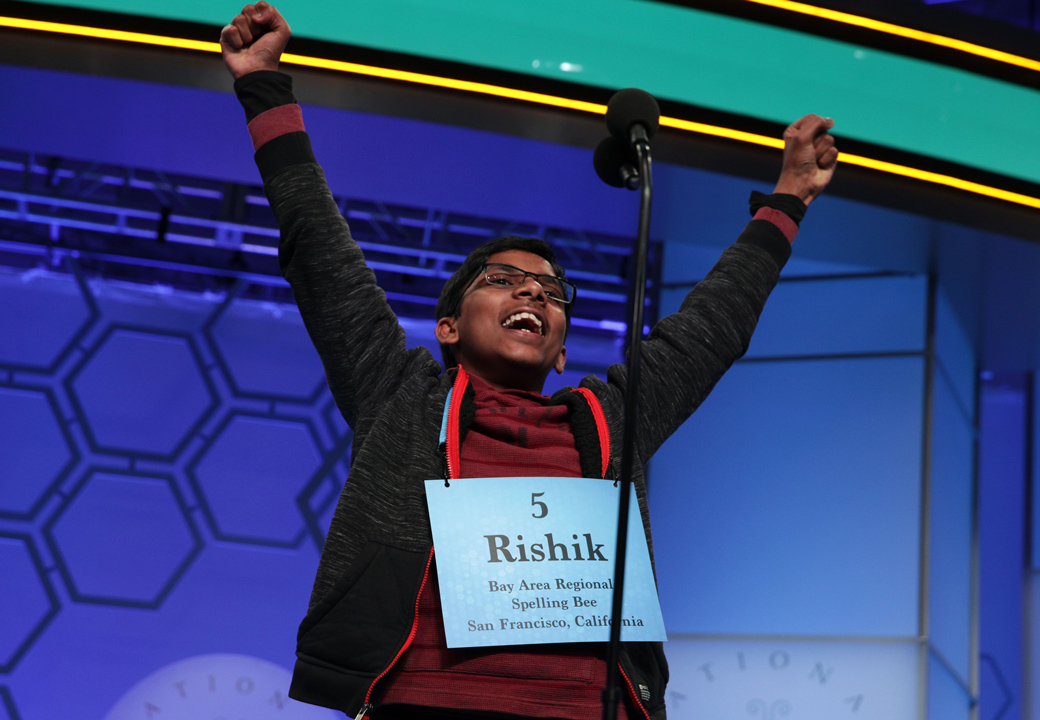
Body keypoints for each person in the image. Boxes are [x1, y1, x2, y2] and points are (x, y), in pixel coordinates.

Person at [220, 5, 838, 720]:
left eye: (550, 291)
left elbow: (713, 325)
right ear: (447, 328)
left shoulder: (612, 422)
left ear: (564, 346)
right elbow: (321, 251)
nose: (531, 292)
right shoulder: (402, 398)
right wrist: (264, 85)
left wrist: (789, 196)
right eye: (503, 280)